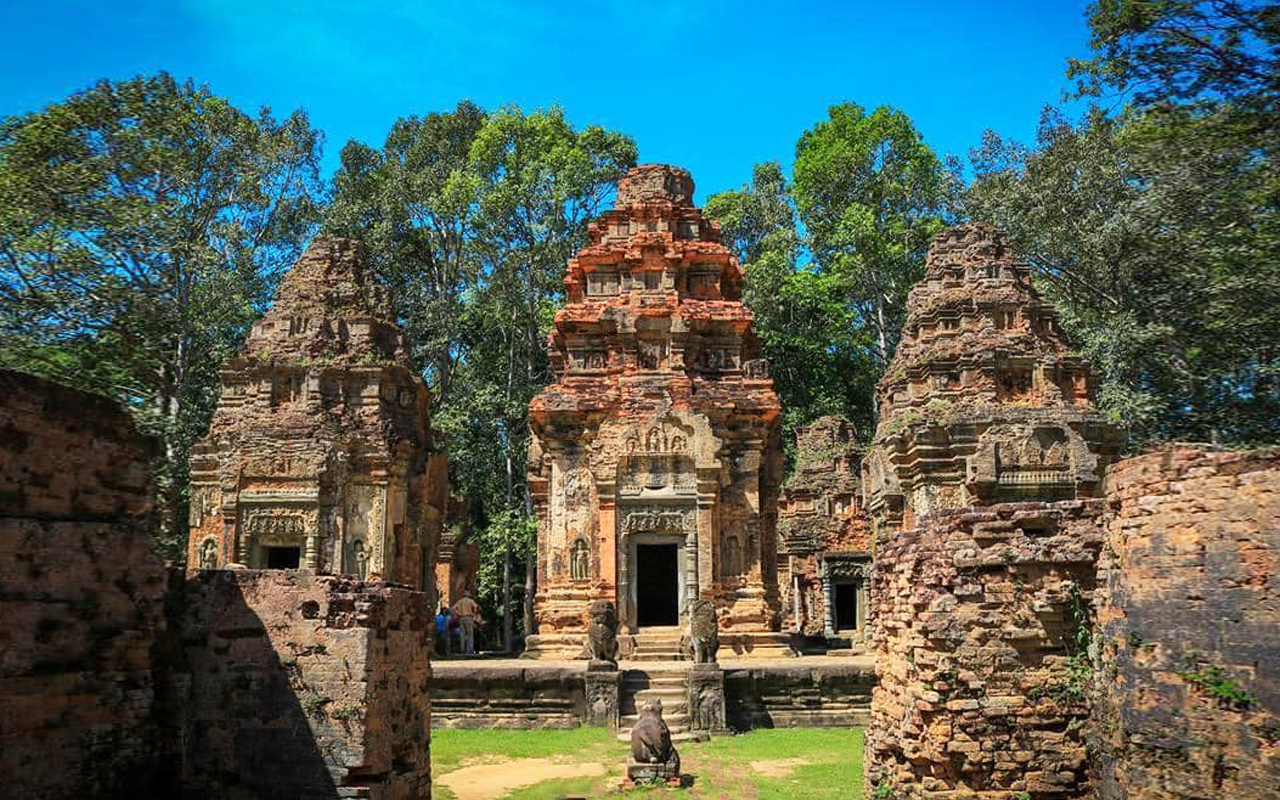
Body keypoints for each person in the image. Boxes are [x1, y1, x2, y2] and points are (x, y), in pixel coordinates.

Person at [451, 591, 481, 655]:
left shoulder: (459, 601)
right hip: (468, 617)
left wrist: (459, 613)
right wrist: (474, 613)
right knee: (470, 634)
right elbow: (476, 607)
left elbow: (453, 608)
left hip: (461, 618)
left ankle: (462, 649)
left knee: (462, 634)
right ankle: (470, 649)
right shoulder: (470, 601)